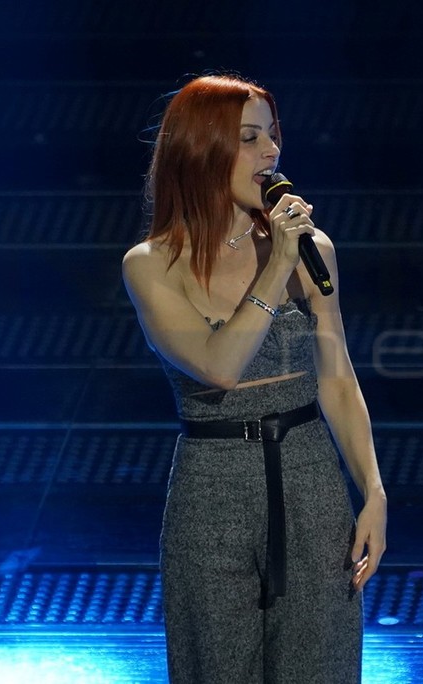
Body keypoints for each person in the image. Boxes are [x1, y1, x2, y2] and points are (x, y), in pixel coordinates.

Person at [122, 73, 387, 683]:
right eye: (249, 138)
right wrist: (276, 269)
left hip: (310, 478)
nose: (271, 151)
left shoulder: (313, 249)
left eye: (272, 135)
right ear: (201, 148)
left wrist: (373, 492)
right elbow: (217, 366)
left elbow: (337, 378)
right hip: (211, 489)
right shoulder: (151, 265)